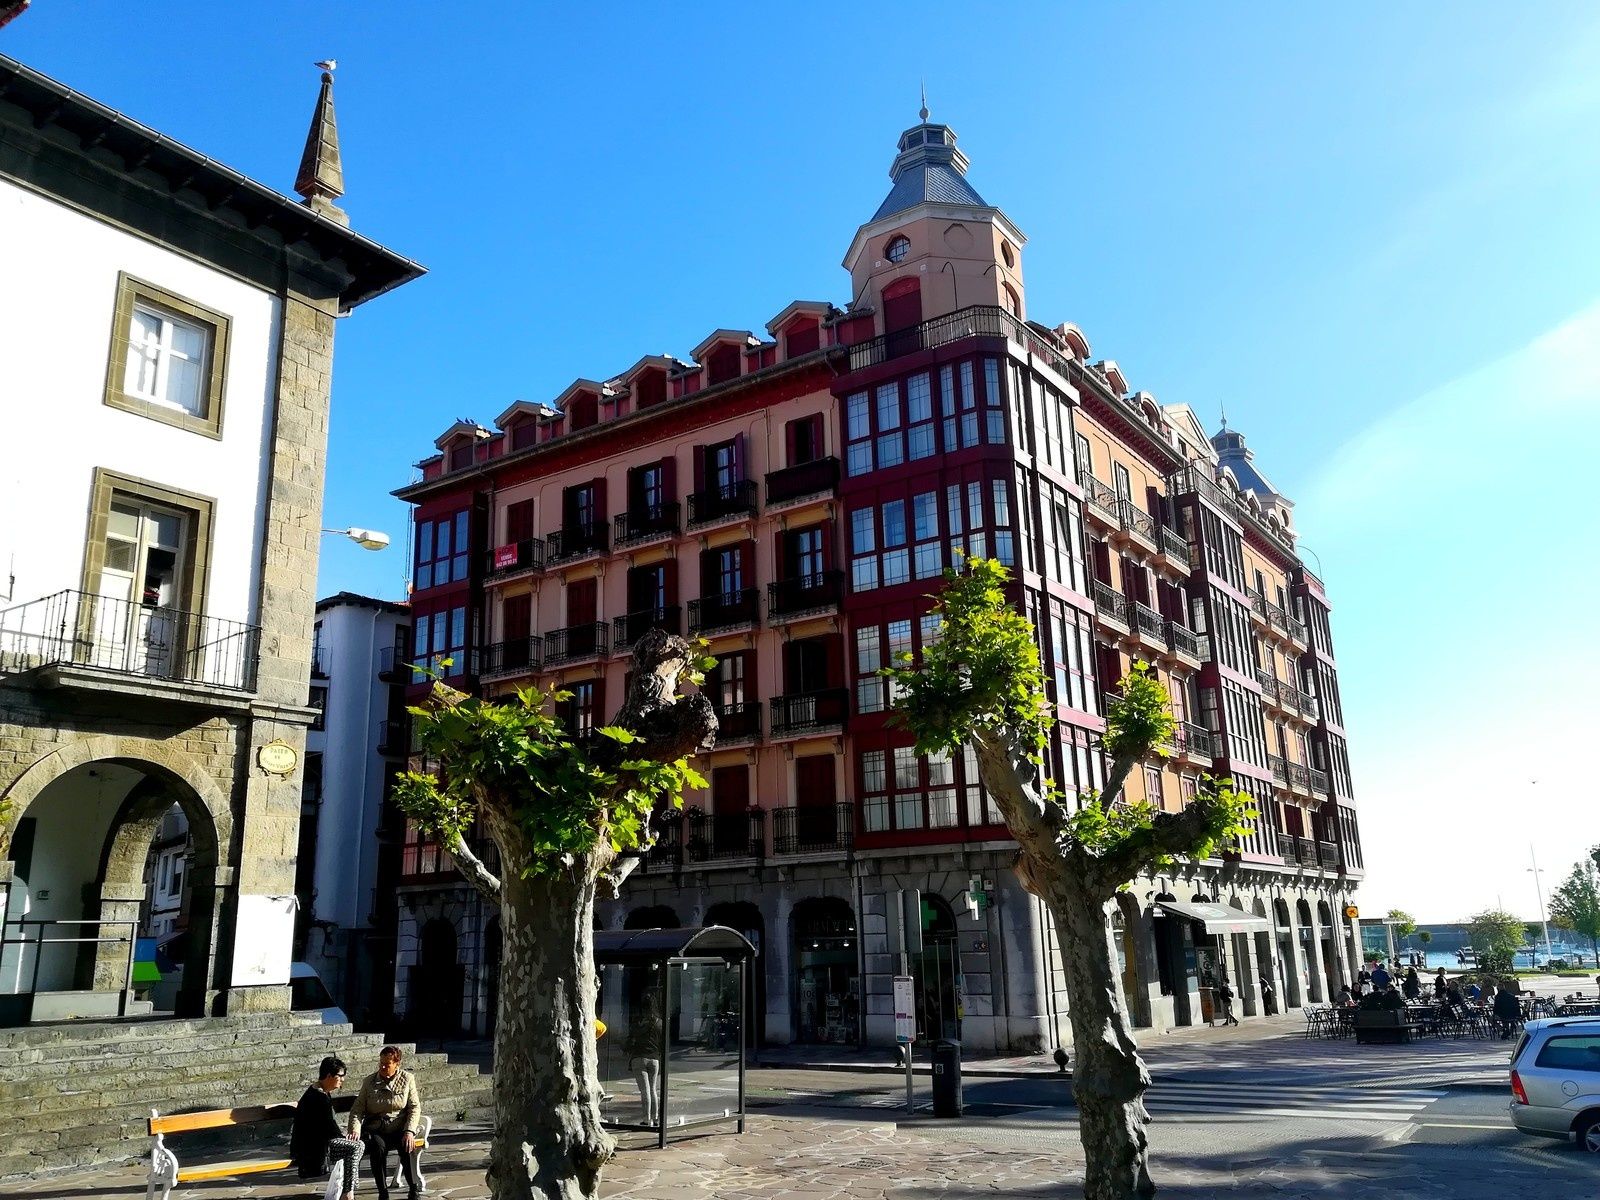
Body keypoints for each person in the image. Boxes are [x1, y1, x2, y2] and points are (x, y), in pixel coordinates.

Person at [349, 1045, 421, 1200]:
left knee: (407, 1146)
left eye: (387, 1064)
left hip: (398, 1127)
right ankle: (383, 1192)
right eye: (381, 1063)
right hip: (377, 1128)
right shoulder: (369, 1082)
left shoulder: (407, 1079)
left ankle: (413, 1188)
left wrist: (409, 1131)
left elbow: (414, 1107)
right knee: (378, 1148)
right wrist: (355, 1129)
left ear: (397, 1064)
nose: (382, 1067)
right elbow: (357, 1110)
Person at [292, 1056, 361, 1200]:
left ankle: (347, 1191)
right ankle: (348, 1193)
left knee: (357, 1145)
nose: (342, 1079)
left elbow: (328, 1126)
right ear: (329, 1076)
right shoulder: (318, 1097)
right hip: (311, 1148)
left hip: (320, 1142)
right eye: (340, 1076)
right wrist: (344, 1136)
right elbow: (329, 1128)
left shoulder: (321, 1092)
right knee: (354, 1147)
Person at [626, 978, 665, 1125]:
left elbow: (631, 1039)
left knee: (645, 1091)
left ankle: (646, 1119)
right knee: (653, 1089)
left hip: (639, 1057)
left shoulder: (638, 1022)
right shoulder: (659, 1023)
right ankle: (655, 1118)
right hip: (654, 1058)